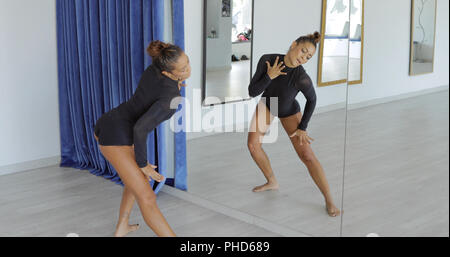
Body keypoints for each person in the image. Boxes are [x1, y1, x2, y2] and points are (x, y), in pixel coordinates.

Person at [93, 40, 191, 236]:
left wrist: (175, 82)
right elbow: (140, 129)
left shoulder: (155, 66)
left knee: (135, 181)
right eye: (182, 69)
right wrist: (143, 163)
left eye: (187, 63)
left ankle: (122, 226)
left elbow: (157, 90)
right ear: (167, 72)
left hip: (112, 122)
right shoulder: (170, 99)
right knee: (147, 197)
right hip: (116, 135)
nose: (188, 70)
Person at [247, 32, 341, 217]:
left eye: (308, 57)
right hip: (268, 104)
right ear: (293, 44)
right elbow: (252, 91)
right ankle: (272, 181)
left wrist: (302, 127)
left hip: (289, 110)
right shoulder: (268, 60)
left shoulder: (301, 77)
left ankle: (329, 199)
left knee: (307, 155)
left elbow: (312, 100)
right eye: (303, 51)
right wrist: (269, 76)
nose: (303, 58)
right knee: (253, 145)